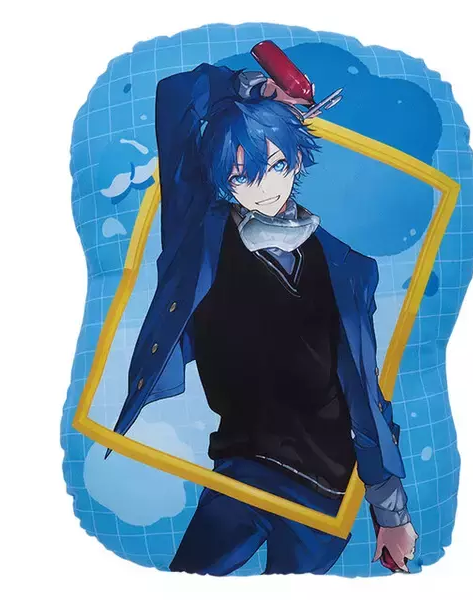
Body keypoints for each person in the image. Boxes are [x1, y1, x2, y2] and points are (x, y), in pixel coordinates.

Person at [107, 61, 418, 575]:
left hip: (324, 489)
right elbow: (176, 96)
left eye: (275, 165)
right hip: (243, 470)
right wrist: (252, 86)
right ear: (222, 178)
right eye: (242, 174)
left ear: (296, 158)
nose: (263, 186)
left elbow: (364, 392)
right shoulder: (200, 237)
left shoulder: (348, 269)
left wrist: (390, 510)